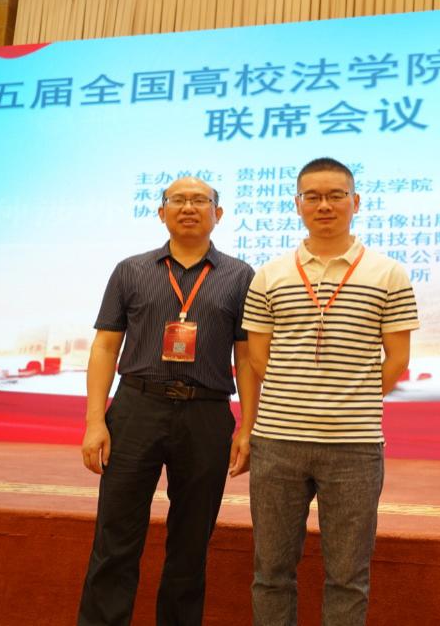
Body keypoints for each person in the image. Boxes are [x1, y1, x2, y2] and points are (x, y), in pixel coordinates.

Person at [242, 157, 420, 625]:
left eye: (336, 195)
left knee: (348, 576)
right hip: (277, 442)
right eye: (313, 196)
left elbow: (397, 359)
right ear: (297, 204)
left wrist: (350, 398)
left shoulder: (388, 274)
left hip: (354, 446)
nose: (325, 205)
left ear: (355, 202)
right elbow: (258, 358)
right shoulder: (270, 275)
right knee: (271, 572)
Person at [78, 177, 257, 626]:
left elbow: (246, 356)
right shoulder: (130, 270)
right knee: (115, 539)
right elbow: (105, 347)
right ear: (161, 213)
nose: (188, 207)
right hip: (137, 409)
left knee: (191, 545)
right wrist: (95, 421)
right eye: (177, 200)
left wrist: (248, 427)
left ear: (218, 213)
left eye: (200, 200)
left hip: (206, 413)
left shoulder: (241, 276)